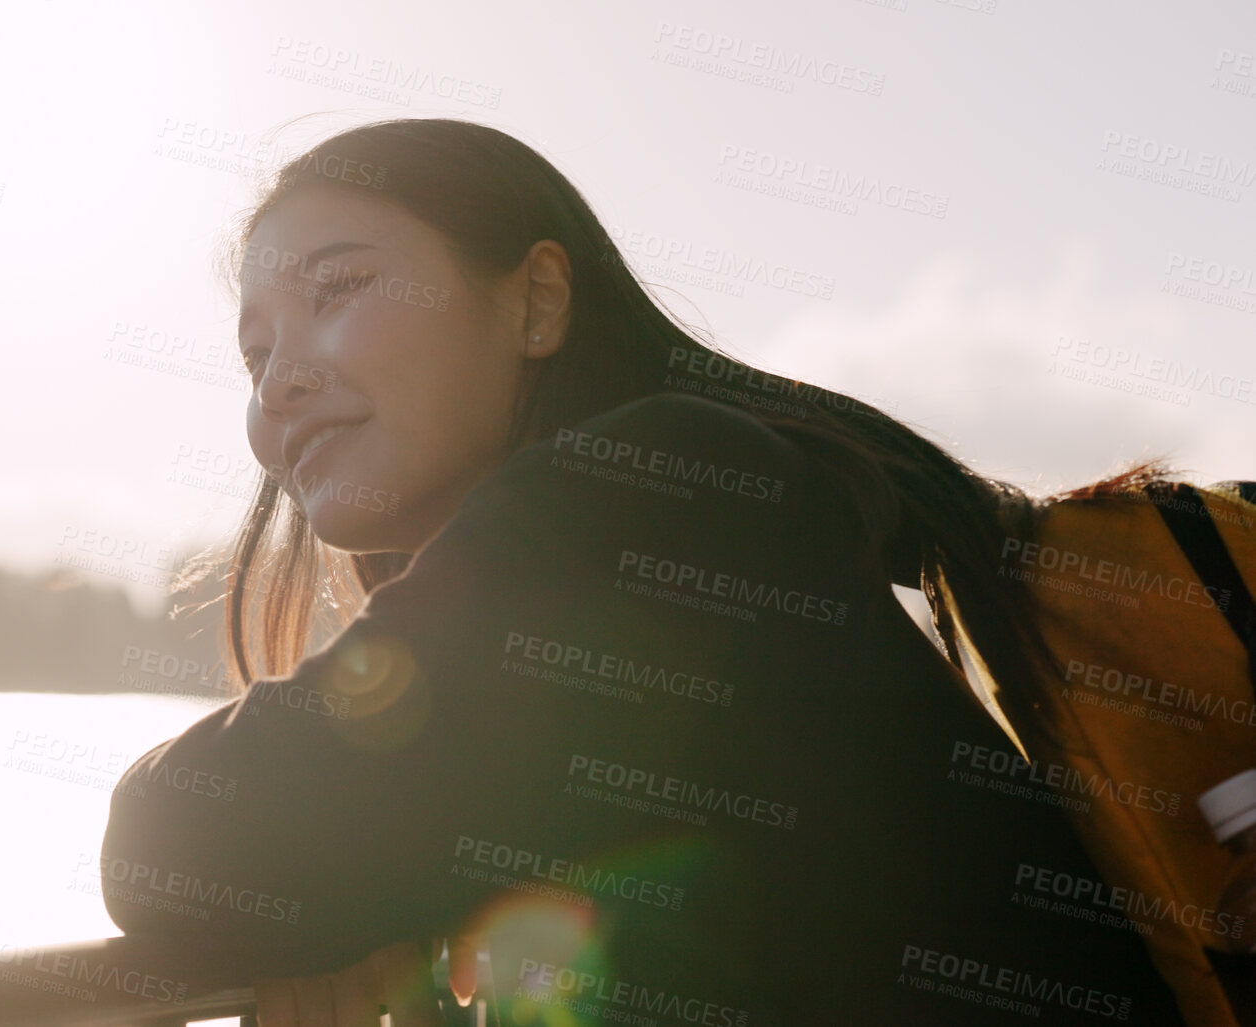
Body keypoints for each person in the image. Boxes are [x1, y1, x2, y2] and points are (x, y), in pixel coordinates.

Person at [98, 118, 1187, 1026]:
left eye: (336, 290)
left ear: (537, 301)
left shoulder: (667, 485)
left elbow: (183, 841)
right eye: (253, 354)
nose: (282, 380)